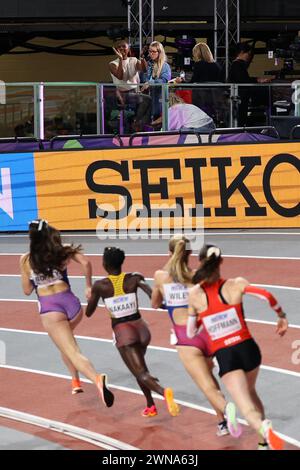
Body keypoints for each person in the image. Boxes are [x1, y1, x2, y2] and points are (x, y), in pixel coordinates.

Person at [187, 244, 288, 450]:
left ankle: (263, 428)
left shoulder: (195, 294)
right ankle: (262, 443)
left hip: (226, 355)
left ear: (200, 263)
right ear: (221, 261)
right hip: (249, 349)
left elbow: (191, 332)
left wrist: (204, 320)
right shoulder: (237, 284)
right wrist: (281, 316)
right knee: (251, 391)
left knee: (247, 409)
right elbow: (266, 295)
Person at [152, 235, 240, 438]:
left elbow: (155, 304)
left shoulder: (160, 276)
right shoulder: (198, 275)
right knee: (210, 378)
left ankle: (227, 409)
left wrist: (169, 299)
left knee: (206, 385)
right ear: (189, 254)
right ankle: (222, 422)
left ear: (169, 253)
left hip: (186, 338)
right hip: (206, 332)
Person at [20, 219, 114, 407]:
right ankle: (75, 381)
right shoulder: (61, 250)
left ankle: (96, 379)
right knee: (67, 344)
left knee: (71, 350)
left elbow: (27, 290)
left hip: (51, 309)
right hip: (72, 305)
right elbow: (86, 263)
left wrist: (37, 277)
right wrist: (88, 286)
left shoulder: (26, 259)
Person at [86, 246, 180, 418]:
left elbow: (89, 312)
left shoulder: (100, 286)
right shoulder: (135, 278)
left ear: (104, 264)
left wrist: (92, 296)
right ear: (122, 262)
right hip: (142, 329)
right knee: (139, 369)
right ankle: (150, 405)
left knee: (140, 372)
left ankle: (163, 392)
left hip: (124, 333)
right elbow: (154, 297)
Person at [109, 39, 151, 132]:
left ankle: (138, 123)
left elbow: (144, 70)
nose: (121, 48)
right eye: (119, 47)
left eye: (124, 46)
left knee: (148, 101)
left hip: (134, 93)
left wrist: (142, 57)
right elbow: (120, 76)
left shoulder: (133, 60)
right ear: (116, 50)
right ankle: (135, 122)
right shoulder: (112, 64)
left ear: (128, 48)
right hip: (122, 94)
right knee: (147, 99)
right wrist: (121, 59)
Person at [228, 42, 273, 126]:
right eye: (247, 54)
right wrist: (257, 80)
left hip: (240, 97)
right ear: (241, 52)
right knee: (240, 119)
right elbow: (243, 80)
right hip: (240, 98)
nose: (248, 56)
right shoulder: (237, 65)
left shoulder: (237, 65)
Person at [142, 41, 172, 120]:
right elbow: (144, 79)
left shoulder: (165, 66)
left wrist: (150, 83)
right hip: (149, 99)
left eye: (154, 51)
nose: (151, 53)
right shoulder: (149, 65)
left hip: (159, 99)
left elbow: (164, 81)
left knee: (157, 122)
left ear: (159, 52)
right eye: (150, 51)